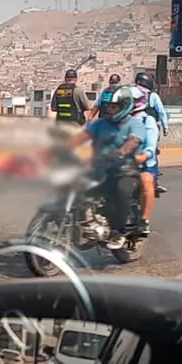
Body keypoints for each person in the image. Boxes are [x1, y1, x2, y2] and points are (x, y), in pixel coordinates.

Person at [57, 84, 146, 250]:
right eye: (108, 107)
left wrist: (121, 152)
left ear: (125, 106)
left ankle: (118, 232)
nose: (110, 110)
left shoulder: (135, 124)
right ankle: (86, 223)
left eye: (114, 106)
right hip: (100, 169)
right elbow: (82, 137)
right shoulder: (100, 123)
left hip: (124, 171)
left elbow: (134, 141)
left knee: (121, 191)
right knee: (74, 187)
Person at [129, 85, 159, 236]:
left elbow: (150, 146)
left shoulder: (148, 120)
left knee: (146, 181)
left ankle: (144, 220)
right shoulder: (117, 119)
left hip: (143, 164)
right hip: (120, 163)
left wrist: (143, 156)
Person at [135, 72, 169, 194]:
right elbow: (161, 112)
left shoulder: (131, 93)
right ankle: (154, 181)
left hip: (138, 130)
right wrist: (166, 128)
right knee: (152, 153)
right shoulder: (153, 96)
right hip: (149, 129)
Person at [49, 69, 94, 135]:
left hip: (60, 124)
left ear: (65, 79)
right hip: (75, 124)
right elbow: (88, 107)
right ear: (76, 79)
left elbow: (53, 108)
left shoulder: (58, 90)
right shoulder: (78, 90)